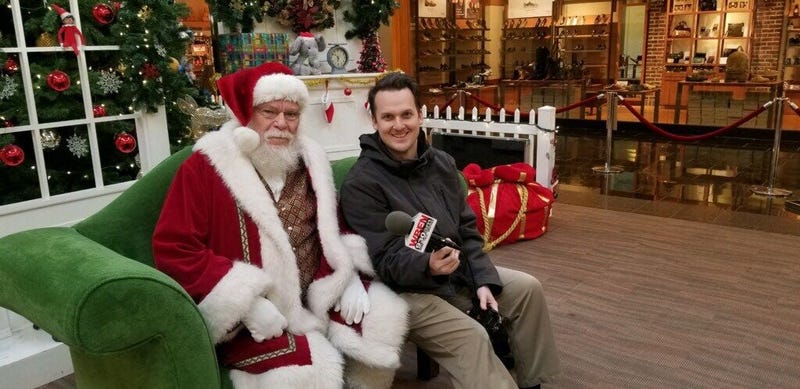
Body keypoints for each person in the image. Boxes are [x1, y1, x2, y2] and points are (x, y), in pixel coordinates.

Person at [152, 62, 408, 389]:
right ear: (247, 113)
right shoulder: (205, 167)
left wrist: (350, 275)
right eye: (269, 111)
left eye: (291, 114)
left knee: (382, 317)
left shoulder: (310, 159)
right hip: (260, 316)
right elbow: (175, 248)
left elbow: (336, 224)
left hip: (315, 294)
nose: (281, 124)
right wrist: (247, 303)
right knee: (307, 370)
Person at [339, 72, 561, 389]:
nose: (398, 125)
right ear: (374, 121)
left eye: (406, 114)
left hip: (455, 272)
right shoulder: (362, 183)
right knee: (472, 337)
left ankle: (532, 383)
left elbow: (467, 230)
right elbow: (383, 260)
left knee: (528, 290)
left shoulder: (441, 163)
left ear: (421, 115)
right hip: (402, 291)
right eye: (388, 117)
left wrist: (482, 279)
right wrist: (426, 265)